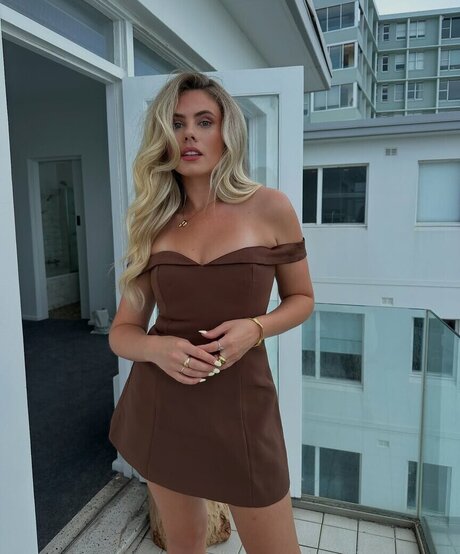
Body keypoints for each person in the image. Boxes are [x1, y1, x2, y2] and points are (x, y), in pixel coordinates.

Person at [108, 72, 314, 554]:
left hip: (243, 406)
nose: (189, 135)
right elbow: (122, 332)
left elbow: (302, 299)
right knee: (184, 546)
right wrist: (158, 348)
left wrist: (256, 328)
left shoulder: (270, 207)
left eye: (204, 122)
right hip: (164, 405)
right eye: (177, 124)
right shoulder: (154, 222)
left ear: (227, 132)